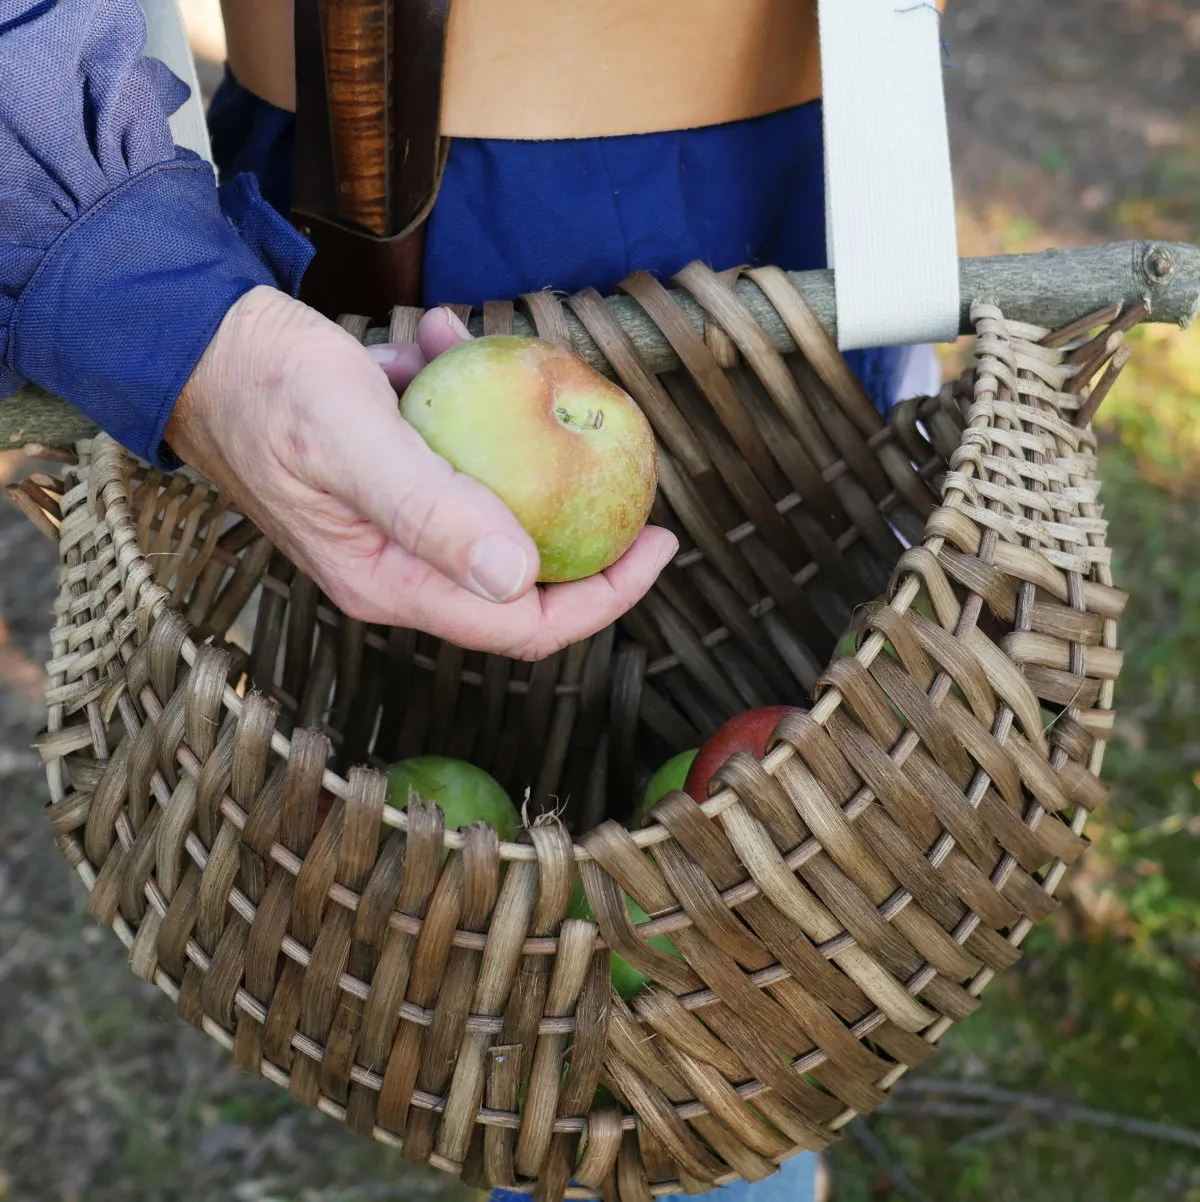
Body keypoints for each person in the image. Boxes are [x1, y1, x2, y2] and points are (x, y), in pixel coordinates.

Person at [1, 3, 942, 1196]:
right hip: (403, 172)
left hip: (826, 148)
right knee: (495, 951)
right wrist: (172, 311)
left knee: (762, 924)